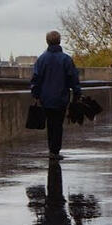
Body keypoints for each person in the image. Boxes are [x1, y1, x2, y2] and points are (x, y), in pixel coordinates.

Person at [30, 30, 82, 160]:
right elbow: (73, 78)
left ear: (47, 42)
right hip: (61, 98)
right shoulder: (66, 59)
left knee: (50, 124)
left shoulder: (42, 59)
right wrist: (77, 93)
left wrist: (35, 94)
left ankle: (51, 149)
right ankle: (55, 150)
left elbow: (36, 79)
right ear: (59, 41)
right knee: (58, 124)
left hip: (46, 98)